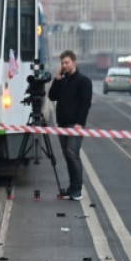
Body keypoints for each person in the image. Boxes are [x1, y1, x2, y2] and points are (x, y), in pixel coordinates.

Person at [47, 50, 93, 201]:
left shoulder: (83, 81)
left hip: (74, 124)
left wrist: (80, 123)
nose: (64, 65)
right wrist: (58, 78)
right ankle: (72, 187)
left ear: (74, 62)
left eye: (66, 63)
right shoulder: (63, 81)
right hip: (62, 123)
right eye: (62, 63)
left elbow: (85, 104)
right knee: (67, 156)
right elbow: (52, 96)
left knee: (73, 154)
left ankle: (78, 189)